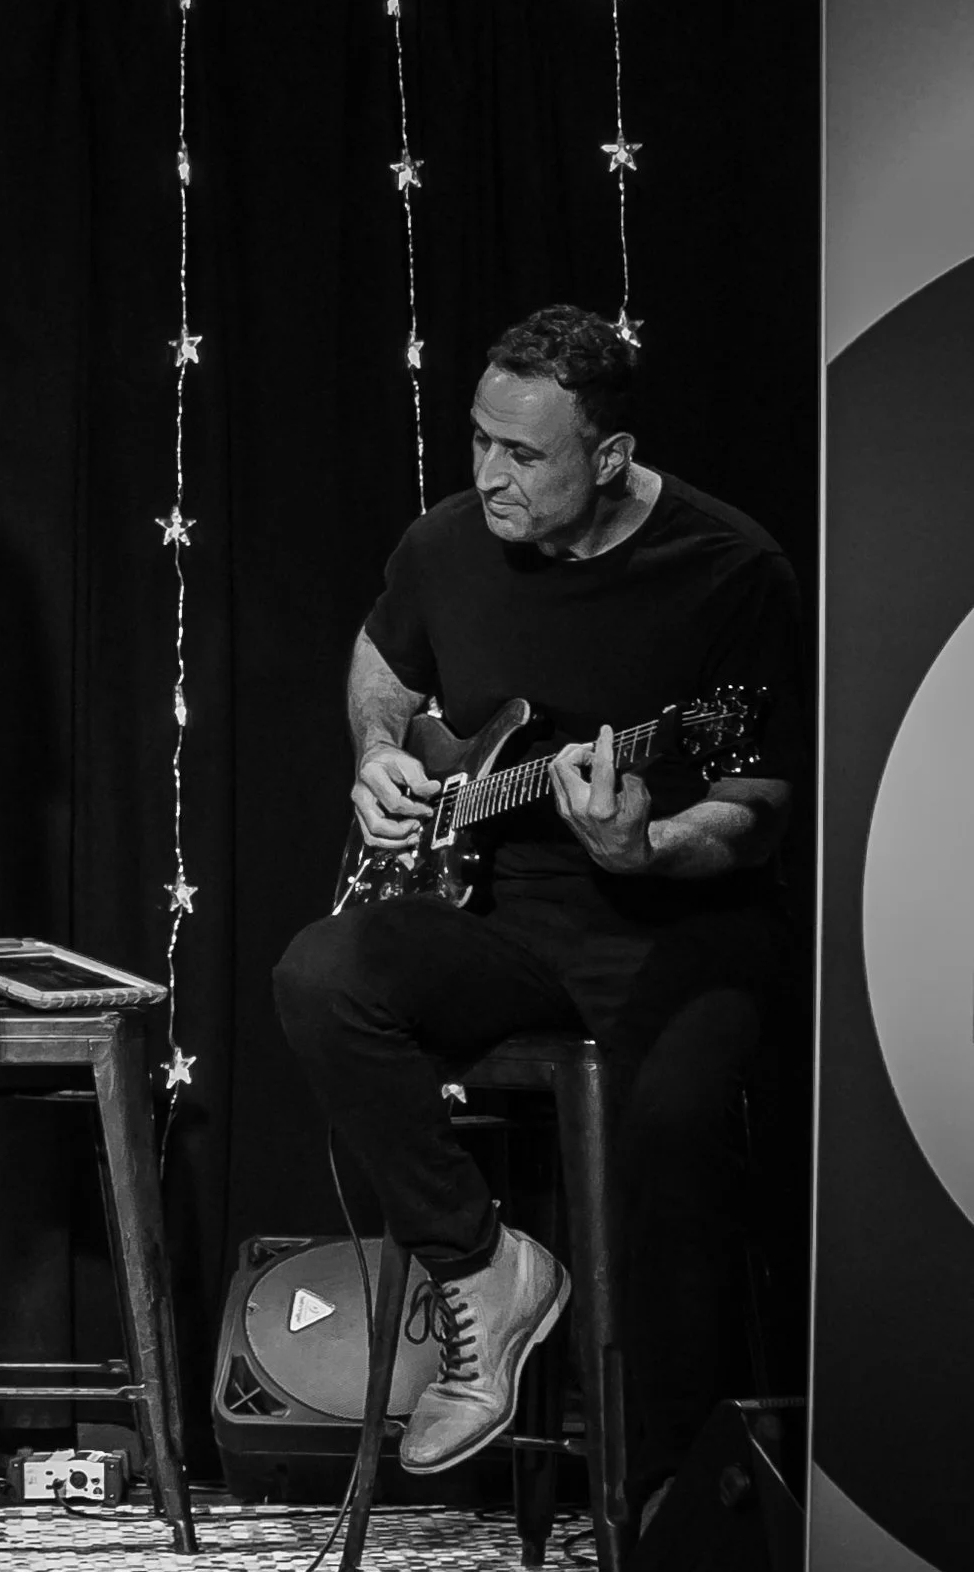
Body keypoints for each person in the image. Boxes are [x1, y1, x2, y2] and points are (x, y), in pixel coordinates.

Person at [272, 304, 802, 1507]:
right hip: (500, 917)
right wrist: (375, 755)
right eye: (477, 441)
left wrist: (653, 839)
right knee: (320, 975)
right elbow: (383, 659)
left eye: (524, 455)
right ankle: (484, 1266)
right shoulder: (448, 543)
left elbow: (762, 800)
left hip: (676, 924)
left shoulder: (728, 568)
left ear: (608, 456)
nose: (489, 476)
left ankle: (667, 1502)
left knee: (670, 1134)